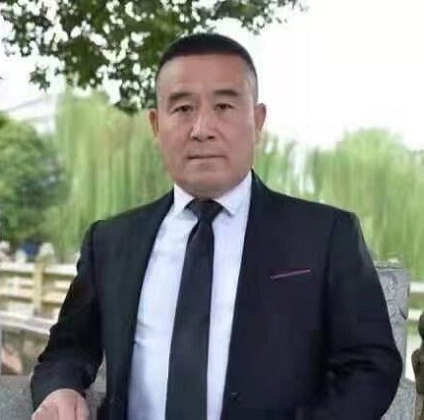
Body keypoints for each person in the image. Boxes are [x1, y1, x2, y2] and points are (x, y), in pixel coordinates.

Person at [31, 33, 402, 420]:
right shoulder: (112, 241)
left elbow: (369, 366)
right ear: (156, 124)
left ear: (257, 120)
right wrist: (61, 388)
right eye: (183, 108)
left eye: (224, 106)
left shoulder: (325, 235)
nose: (202, 128)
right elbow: (67, 349)